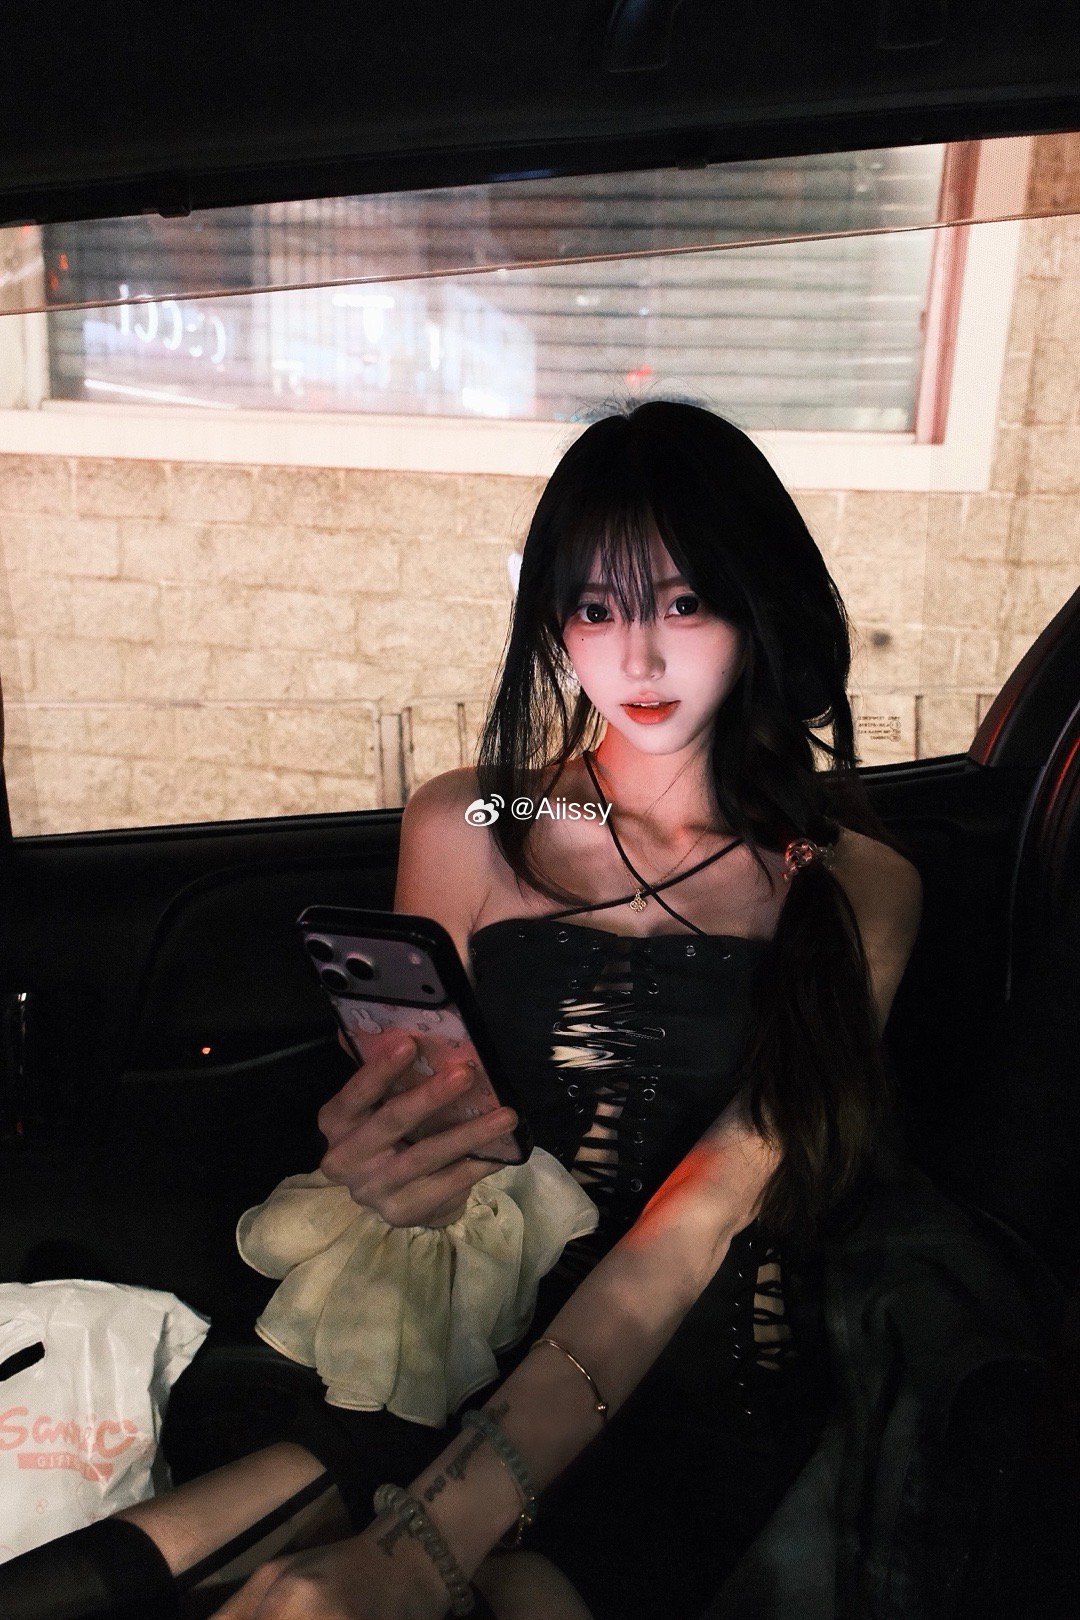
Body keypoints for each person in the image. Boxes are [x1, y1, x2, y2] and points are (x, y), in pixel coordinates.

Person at [0, 400, 924, 1620]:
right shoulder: (473, 820)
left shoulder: (857, 883)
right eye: (595, 609)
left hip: (695, 1383)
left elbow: (705, 1219)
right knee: (92, 1584)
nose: (637, 660)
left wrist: (419, 1550)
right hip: (463, 1336)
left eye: (684, 602)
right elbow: (428, 1132)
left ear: (759, 602)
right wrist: (385, 1160)